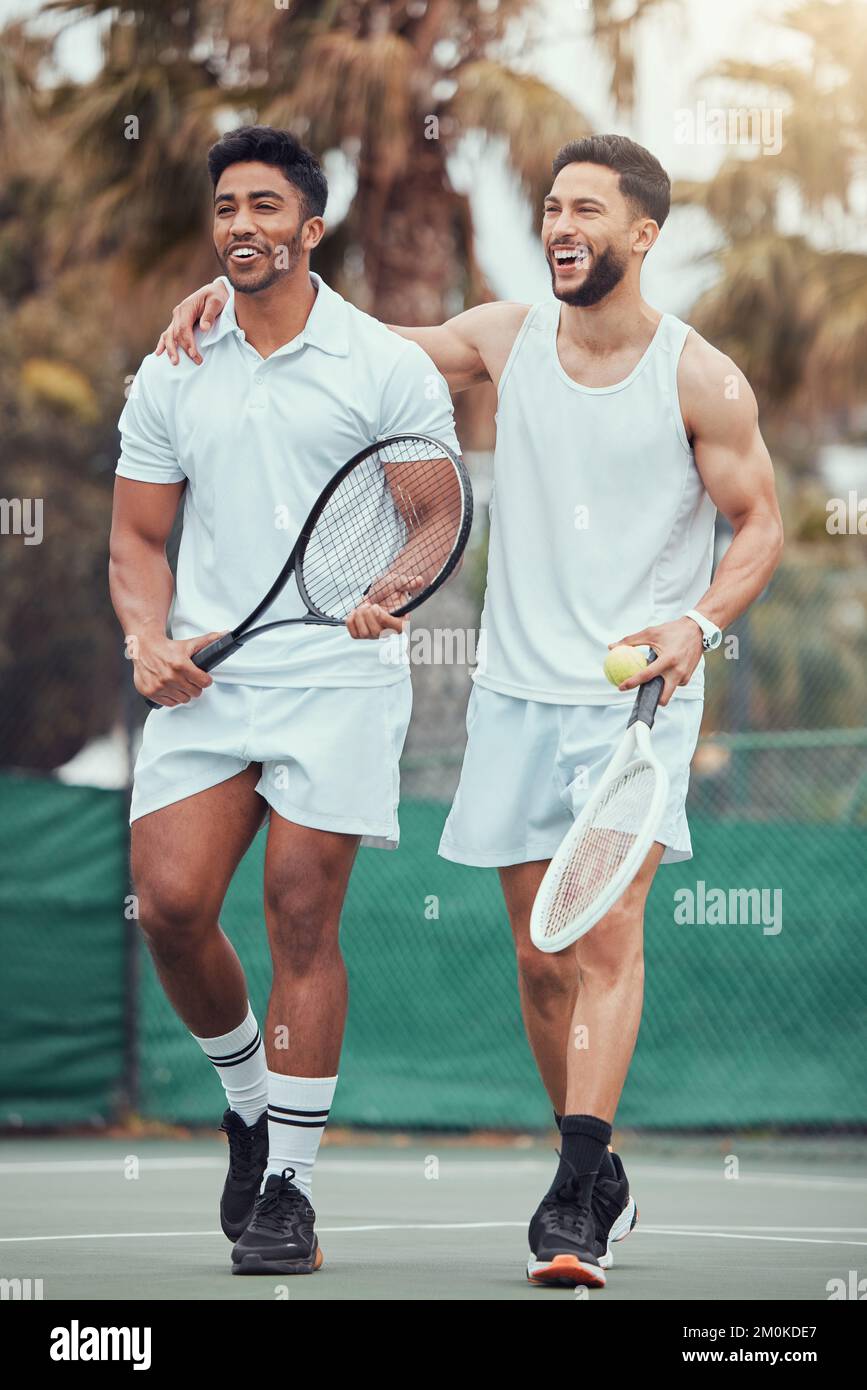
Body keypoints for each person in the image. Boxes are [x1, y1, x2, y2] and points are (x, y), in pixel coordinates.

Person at [156, 132, 784, 1289]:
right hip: (514, 695)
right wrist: (245, 282)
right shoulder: (504, 336)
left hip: (636, 693)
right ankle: (592, 1167)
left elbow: (762, 525)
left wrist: (696, 625)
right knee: (541, 960)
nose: (562, 225)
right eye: (552, 206)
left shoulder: (702, 377)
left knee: (604, 935)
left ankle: (573, 1197)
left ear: (643, 236)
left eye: (587, 210)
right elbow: (361, 340)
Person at [110, 125, 459, 1277]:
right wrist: (144, 637)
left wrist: (395, 589)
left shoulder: (383, 366)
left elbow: (434, 513)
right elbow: (138, 534)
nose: (244, 225)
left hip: (338, 679)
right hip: (210, 678)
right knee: (167, 903)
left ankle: (292, 1194)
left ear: (313, 227)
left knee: (301, 914)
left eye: (268, 207)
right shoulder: (177, 362)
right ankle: (250, 1106)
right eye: (227, 209)